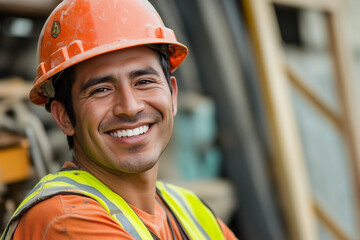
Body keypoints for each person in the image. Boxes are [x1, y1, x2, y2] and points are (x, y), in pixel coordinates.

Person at [1, 0, 238, 239]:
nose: (130, 107)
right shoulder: (64, 219)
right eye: (101, 90)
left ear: (173, 96)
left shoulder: (190, 210)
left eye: (144, 82)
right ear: (64, 117)